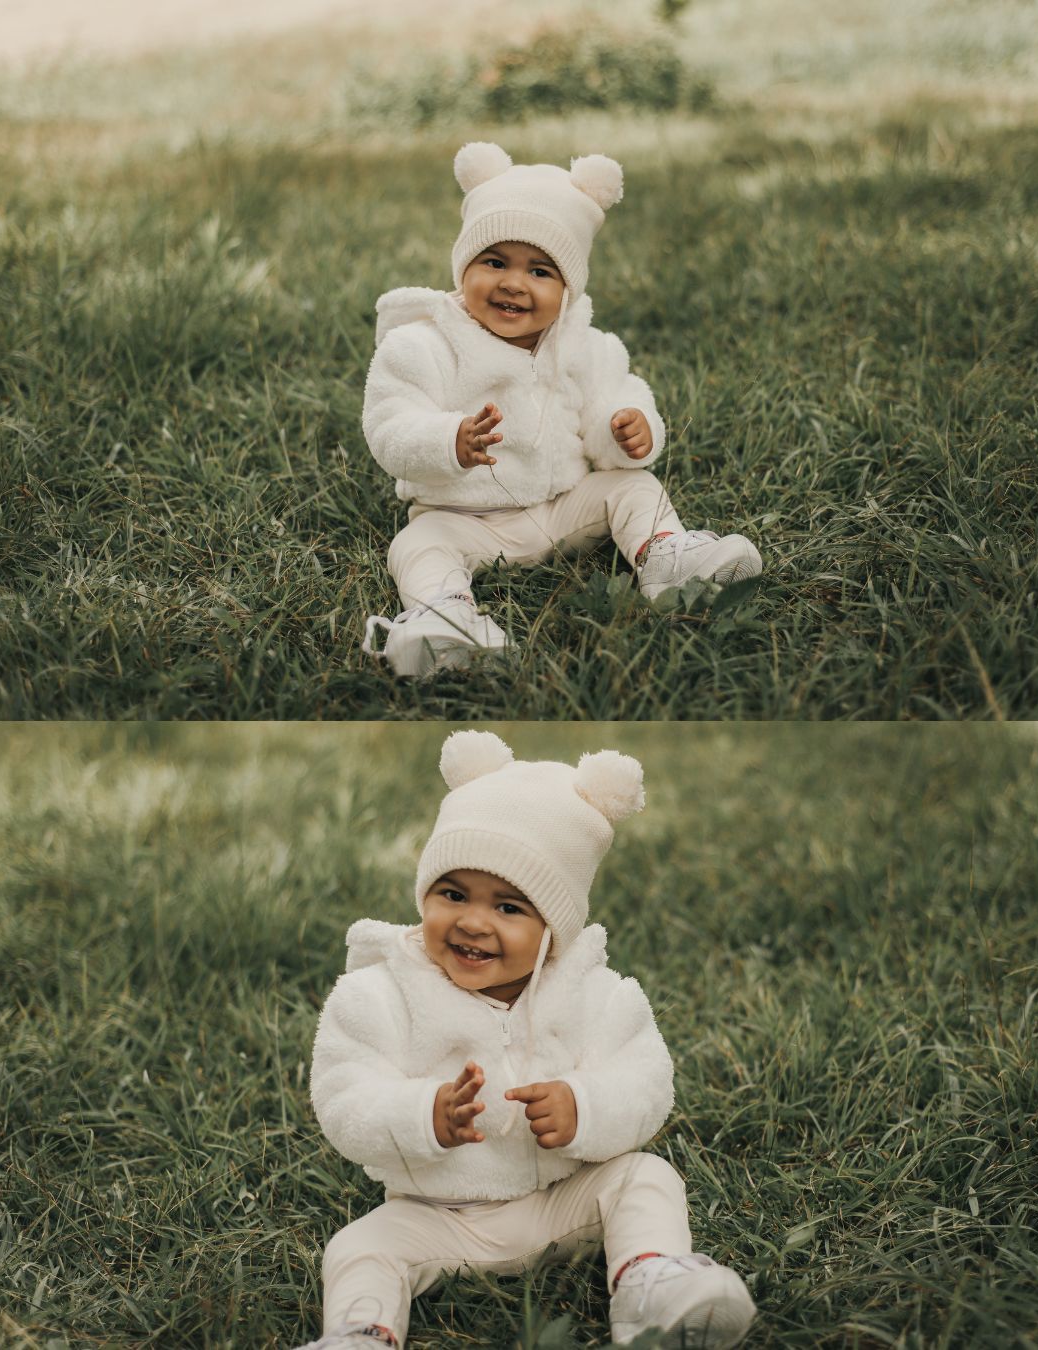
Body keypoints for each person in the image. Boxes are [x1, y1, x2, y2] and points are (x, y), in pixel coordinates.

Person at [296, 729, 757, 1348]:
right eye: (452, 893)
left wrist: (582, 1106)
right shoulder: (378, 996)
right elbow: (343, 1097)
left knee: (644, 1178)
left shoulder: (598, 996)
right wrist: (422, 1115)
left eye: (510, 908)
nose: (473, 921)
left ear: (554, 927)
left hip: (563, 1199)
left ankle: (650, 1285)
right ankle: (362, 1333)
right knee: (359, 1245)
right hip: (437, 1215)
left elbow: (646, 1081)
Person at [360, 142, 762, 677]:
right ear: (464, 266)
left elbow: (617, 396)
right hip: (461, 518)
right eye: (495, 262)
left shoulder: (585, 346)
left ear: (568, 289)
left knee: (634, 488)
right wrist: (447, 440)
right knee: (415, 544)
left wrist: (625, 428)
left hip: (562, 507)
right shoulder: (423, 345)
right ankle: (444, 616)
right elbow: (389, 425)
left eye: (541, 272)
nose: (513, 283)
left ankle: (666, 557)